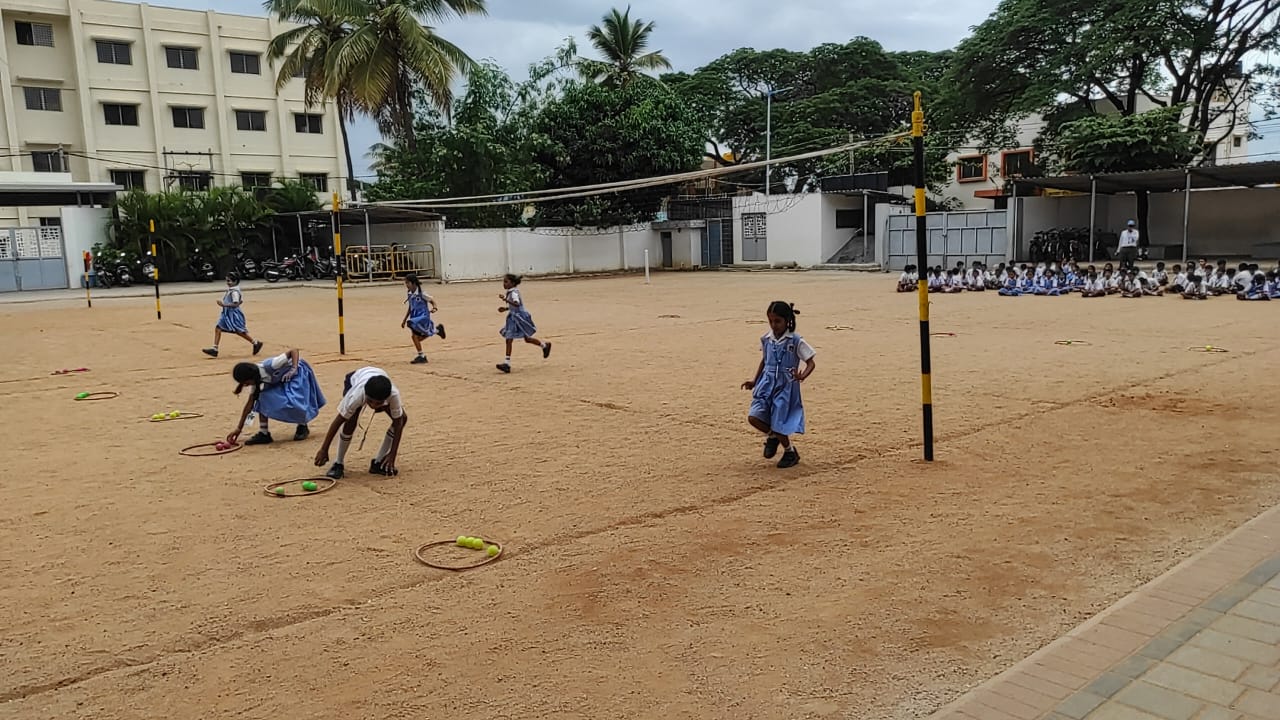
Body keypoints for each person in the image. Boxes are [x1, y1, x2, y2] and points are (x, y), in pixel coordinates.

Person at [742, 301, 815, 469]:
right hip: (766, 384)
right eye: (771, 321)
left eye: (778, 321)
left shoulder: (795, 341)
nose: (774, 325)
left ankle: (789, 451)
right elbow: (765, 360)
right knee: (754, 417)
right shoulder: (767, 339)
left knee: (779, 422)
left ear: (787, 320)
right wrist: (754, 381)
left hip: (785, 387)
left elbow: (811, 362)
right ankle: (772, 436)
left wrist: (802, 375)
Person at [314, 367, 407, 479]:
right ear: (366, 396)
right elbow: (338, 421)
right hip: (355, 379)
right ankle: (338, 463)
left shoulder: (393, 395)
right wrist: (324, 449)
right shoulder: (356, 395)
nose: (373, 406)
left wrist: (392, 454)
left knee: (402, 418)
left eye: (378, 403)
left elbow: (398, 423)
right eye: (370, 401)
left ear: (386, 399)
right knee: (350, 420)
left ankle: (378, 462)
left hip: (377, 385)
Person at [226, 348, 326, 445]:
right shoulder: (257, 381)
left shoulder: (272, 365)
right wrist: (238, 429)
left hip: (297, 374)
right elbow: (249, 405)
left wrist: (293, 369)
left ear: (250, 377)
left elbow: (294, 351)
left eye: (246, 383)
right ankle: (264, 433)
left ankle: (302, 425)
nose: (246, 385)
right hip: (282, 378)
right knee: (262, 397)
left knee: (296, 401)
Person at [496, 273, 551, 373]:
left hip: (518, 318)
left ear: (512, 283)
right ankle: (544, 346)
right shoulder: (512, 292)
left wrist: (505, 300)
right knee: (522, 339)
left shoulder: (513, 293)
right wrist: (506, 308)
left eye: (506, 282)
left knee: (511, 338)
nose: (504, 284)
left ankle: (507, 363)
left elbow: (517, 304)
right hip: (516, 317)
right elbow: (516, 306)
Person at [203, 272, 263, 358]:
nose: (227, 283)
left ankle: (255, 343)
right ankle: (215, 348)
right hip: (227, 314)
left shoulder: (234, 292)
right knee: (218, 328)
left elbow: (235, 304)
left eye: (229, 281)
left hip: (233, 315)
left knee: (238, 331)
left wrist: (223, 305)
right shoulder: (233, 290)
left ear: (235, 281)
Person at [401, 273, 445, 364]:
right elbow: (410, 307)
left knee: (412, 327)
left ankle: (421, 356)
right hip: (414, 316)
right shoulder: (409, 293)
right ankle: (436, 331)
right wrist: (404, 319)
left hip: (423, 317)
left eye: (408, 283)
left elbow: (432, 301)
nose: (406, 285)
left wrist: (434, 308)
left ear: (413, 283)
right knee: (416, 338)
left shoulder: (422, 293)